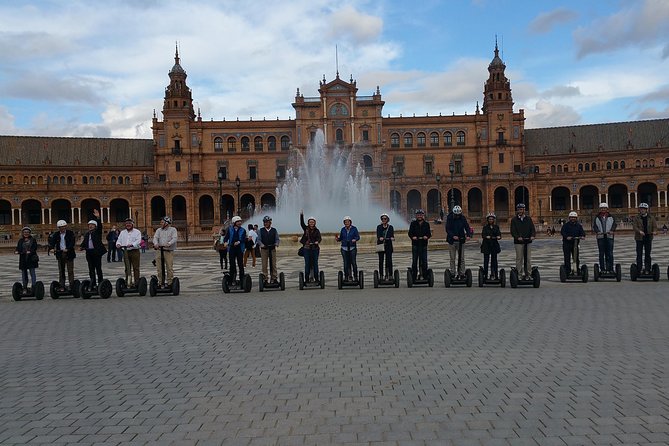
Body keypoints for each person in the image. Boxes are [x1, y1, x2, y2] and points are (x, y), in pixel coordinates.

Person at [79, 209, 106, 290]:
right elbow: (84, 242)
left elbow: (100, 227)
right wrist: (81, 246)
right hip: (89, 253)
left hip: (96, 253)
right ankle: (93, 283)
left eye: (92, 225)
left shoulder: (97, 232)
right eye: (89, 225)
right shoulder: (87, 234)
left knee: (98, 268)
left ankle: (100, 282)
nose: (90, 226)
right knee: (91, 269)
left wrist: (98, 218)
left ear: (95, 226)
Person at [510, 203, 536, 279]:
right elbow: (513, 230)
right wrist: (517, 237)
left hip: (528, 241)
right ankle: (519, 274)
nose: (520, 211)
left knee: (528, 259)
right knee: (519, 258)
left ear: (524, 210)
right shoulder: (514, 220)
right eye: (518, 209)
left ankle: (529, 274)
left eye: (521, 209)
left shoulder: (528, 219)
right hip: (518, 242)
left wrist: (532, 236)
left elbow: (532, 229)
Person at [49, 220, 76, 292]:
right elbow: (52, 242)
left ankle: (71, 285)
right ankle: (62, 285)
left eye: (64, 227)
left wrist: (68, 249)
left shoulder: (70, 233)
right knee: (61, 271)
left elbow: (72, 242)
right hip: (60, 253)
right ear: (59, 228)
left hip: (69, 253)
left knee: (70, 270)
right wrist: (51, 248)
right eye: (61, 227)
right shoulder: (56, 234)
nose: (63, 228)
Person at [445, 205, 471, 278]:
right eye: (456, 214)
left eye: (458, 214)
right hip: (452, 241)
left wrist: (468, 235)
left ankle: (462, 273)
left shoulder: (462, 218)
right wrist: (453, 236)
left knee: (461, 258)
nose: (457, 216)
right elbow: (447, 229)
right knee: (452, 258)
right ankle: (453, 272)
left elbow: (467, 226)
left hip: (461, 240)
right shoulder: (449, 218)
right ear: (453, 213)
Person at [152, 216, 178, 287]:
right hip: (159, 251)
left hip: (168, 251)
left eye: (162, 222)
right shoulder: (158, 230)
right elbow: (155, 238)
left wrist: (169, 243)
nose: (161, 223)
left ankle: (170, 282)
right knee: (159, 268)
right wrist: (156, 244)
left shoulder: (173, 230)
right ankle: (160, 282)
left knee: (169, 268)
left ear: (167, 223)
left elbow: (174, 238)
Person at [116, 218, 142, 287]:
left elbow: (138, 241)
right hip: (125, 251)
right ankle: (128, 282)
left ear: (132, 224)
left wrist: (132, 244)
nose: (128, 225)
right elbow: (119, 240)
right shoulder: (122, 232)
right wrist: (118, 244)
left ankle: (137, 282)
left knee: (136, 267)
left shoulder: (137, 232)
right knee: (127, 268)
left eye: (129, 223)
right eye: (127, 223)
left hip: (134, 251)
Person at [632, 203, 657, 274]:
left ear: (647, 210)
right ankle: (639, 269)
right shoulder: (636, 218)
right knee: (639, 254)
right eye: (641, 209)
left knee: (647, 254)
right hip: (639, 238)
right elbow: (634, 227)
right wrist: (639, 231)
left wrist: (655, 231)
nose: (642, 210)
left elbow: (655, 226)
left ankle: (647, 269)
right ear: (639, 210)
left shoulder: (651, 218)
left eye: (644, 209)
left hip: (648, 237)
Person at [592, 202, 616, 273]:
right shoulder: (597, 217)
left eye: (604, 208)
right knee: (601, 253)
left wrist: (612, 230)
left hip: (609, 236)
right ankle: (602, 269)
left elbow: (614, 224)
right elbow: (595, 226)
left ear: (607, 209)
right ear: (600, 209)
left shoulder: (611, 217)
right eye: (602, 208)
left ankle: (610, 268)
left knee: (610, 253)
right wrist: (597, 231)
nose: (603, 209)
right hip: (600, 237)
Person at [408, 209, 431, 282]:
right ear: (416, 216)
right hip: (415, 244)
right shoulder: (413, 223)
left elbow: (429, 233)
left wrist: (426, 237)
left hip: (424, 244)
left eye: (421, 215)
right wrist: (413, 237)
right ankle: (414, 276)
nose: (419, 216)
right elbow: (410, 233)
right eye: (418, 215)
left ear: (423, 215)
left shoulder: (426, 224)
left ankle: (424, 275)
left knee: (424, 261)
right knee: (415, 261)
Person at [560, 211, 586, 275]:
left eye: (574, 217)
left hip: (575, 243)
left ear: (576, 218)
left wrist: (582, 236)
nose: (573, 219)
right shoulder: (566, 225)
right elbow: (562, 232)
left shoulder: (578, 226)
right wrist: (566, 237)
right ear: (569, 218)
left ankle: (576, 269)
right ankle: (567, 270)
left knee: (576, 257)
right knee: (567, 257)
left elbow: (582, 232)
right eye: (571, 217)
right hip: (567, 243)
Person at [300, 211, 322, 284]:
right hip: (307, 249)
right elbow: (301, 223)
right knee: (307, 263)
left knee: (315, 263)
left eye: (313, 222)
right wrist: (301, 215)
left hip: (315, 249)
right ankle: (306, 279)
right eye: (310, 222)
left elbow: (319, 238)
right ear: (308, 223)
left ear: (315, 223)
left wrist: (317, 241)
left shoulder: (317, 230)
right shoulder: (306, 229)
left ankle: (316, 278)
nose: (311, 223)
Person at [15, 226, 39, 293]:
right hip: (23, 259)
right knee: (24, 273)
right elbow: (18, 248)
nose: (26, 233)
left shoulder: (33, 240)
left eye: (27, 232)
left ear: (30, 233)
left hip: (31, 258)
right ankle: (24, 287)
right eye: (25, 232)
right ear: (22, 233)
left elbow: (34, 248)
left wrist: (30, 251)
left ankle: (34, 286)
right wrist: (16, 251)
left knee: (32, 273)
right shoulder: (20, 240)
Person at [335, 216, 360, 281]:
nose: (347, 223)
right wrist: (338, 239)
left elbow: (358, 237)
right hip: (344, 248)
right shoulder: (343, 229)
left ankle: (355, 276)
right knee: (346, 263)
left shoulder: (354, 229)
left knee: (353, 262)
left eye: (348, 222)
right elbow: (341, 238)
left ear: (350, 222)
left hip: (352, 247)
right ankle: (347, 276)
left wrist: (355, 239)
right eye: (345, 222)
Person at [223, 216, 246, 286]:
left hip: (239, 249)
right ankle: (232, 279)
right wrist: (225, 242)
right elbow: (226, 238)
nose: (240, 223)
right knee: (232, 265)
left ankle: (242, 279)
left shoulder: (243, 230)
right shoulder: (230, 230)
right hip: (232, 248)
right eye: (238, 221)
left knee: (240, 264)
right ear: (234, 223)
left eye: (240, 221)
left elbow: (243, 238)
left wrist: (239, 241)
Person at [257, 215, 280, 283]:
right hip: (264, 249)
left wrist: (276, 243)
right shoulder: (261, 230)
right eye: (264, 222)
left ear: (270, 223)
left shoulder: (274, 230)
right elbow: (258, 239)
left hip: (272, 249)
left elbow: (277, 239)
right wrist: (261, 244)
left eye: (267, 222)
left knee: (273, 264)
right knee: (264, 264)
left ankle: (274, 277)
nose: (265, 223)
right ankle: (265, 278)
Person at [480, 213, 502, 280]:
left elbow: (499, 234)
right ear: (487, 220)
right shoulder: (485, 227)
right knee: (486, 261)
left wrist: (498, 237)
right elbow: (483, 235)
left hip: (494, 245)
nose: (491, 220)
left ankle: (495, 274)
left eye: (492, 219)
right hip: (486, 245)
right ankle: (485, 275)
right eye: (489, 219)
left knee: (494, 260)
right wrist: (486, 236)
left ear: (494, 220)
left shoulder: (496, 227)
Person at [376, 213, 395, 280]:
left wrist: (392, 238)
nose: (383, 220)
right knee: (381, 261)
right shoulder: (379, 227)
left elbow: (392, 235)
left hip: (388, 245)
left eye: (385, 218)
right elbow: (378, 235)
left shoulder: (391, 227)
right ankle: (381, 275)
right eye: (382, 218)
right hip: (381, 245)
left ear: (387, 220)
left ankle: (389, 274)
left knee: (389, 260)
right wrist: (380, 238)